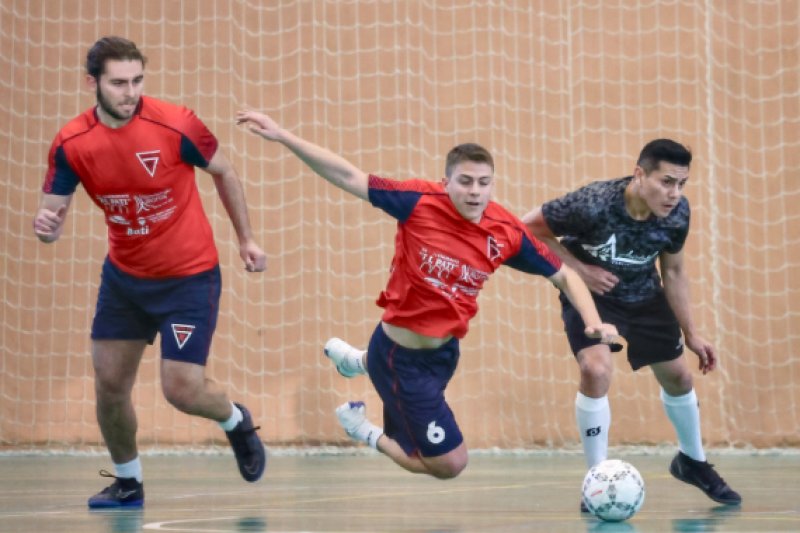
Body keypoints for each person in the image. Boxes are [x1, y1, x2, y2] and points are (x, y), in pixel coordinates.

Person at [236, 110, 619, 479]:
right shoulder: (417, 202)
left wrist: (594, 322)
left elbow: (565, 275)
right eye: (465, 181)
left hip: (445, 354)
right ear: (446, 181)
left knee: (432, 438)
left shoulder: (505, 231)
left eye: (484, 182)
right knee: (448, 465)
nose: (475, 191)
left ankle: (362, 361)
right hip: (401, 359)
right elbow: (347, 174)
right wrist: (283, 136)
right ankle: (363, 427)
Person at [33, 36, 267, 508]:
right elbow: (50, 219)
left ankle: (234, 420)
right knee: (110, 384)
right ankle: (128, 482)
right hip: (124, 280)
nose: (130, 92)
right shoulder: (72, 143)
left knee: (181, 390)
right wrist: (45, 229)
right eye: (119, 82)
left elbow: (224, 170)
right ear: (92, 83)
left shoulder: (176, 123)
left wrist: (246, 238)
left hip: (189, 277)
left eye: (137, 80)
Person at [521, 139, 742, 509]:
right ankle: (595, 481)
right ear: (640, 174)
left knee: (680, 378)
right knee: (595, 369)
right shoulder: (593, 203)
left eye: (681, 184)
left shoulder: (677, 213)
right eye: (666, 181)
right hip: (592, 295)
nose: (674, 193)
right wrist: (579, 270)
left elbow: (673, 271)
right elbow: (526, 228)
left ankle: (692, 461)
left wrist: (692, 333)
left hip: (644, 295)